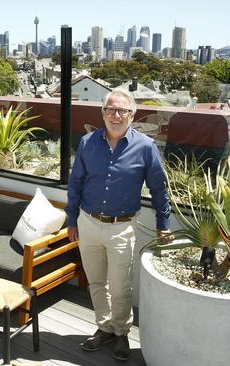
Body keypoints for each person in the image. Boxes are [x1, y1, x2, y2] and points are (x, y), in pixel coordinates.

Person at [66, 88, 172, 361]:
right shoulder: (88, 143)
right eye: (110, 109)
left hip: (121, 227)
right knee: (97, 282)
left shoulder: (145, 147)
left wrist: (164, 224)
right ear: (102, 113)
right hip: (88, 223)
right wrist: (72, 220)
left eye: (122, 110)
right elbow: (75, 183)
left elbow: (159, 189)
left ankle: (122, 332)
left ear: (132, 114)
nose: (116, 115)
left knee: (120, 285)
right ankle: (104, 328)